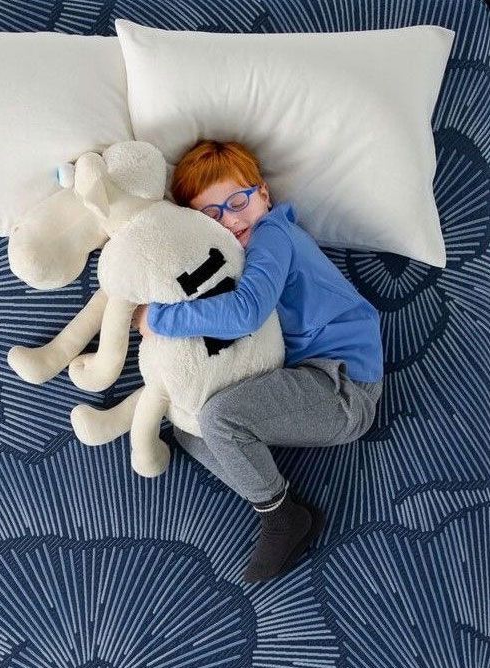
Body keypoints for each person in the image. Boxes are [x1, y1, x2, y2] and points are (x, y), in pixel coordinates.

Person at [131, 140, 384, 582]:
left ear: (263, 195)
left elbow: (247, 311)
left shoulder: (273, 234)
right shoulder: (234, 253)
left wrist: (159, 319)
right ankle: (263, 480)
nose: (230, 219)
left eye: (237, 201)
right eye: (212, 215)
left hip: (343, 387)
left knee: (219, 419)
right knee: (190, 428)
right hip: (303, 378)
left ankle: (281, 515)